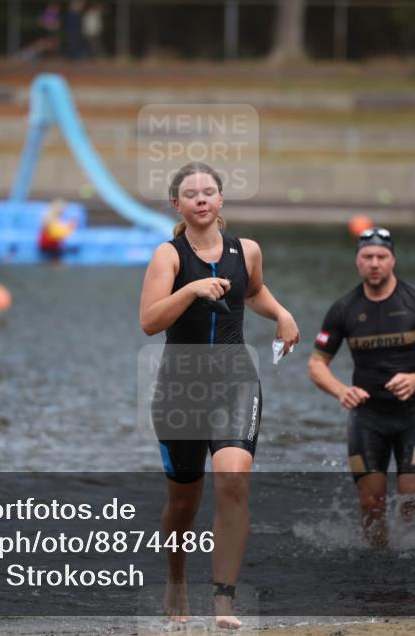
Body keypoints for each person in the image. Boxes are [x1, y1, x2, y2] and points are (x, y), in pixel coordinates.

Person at [139, 161, 299, 628]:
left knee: (233, 479)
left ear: (221, 200)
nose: (202, 199)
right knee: (183, 503)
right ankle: (175, 580)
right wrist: (190, 289)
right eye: (192, 194)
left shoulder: (246, 250)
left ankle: (224, 600)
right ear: (178, 205)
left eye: (209, 192)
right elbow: (150, 321)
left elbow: (255, 291)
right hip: (179, 388)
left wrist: (282, 314)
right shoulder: (167, 256)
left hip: (235, 380)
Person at [308, 227, 415, 547]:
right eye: (367, 257)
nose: (374, 263)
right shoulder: (343, 309)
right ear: (358, 262)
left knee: (414, 499)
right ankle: (378, 562)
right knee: (371, 505)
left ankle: (410, 553)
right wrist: (341, 390)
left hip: (413, 414)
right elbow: (317, 364)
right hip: (367, 417)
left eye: (381, 257)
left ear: (393, 261)